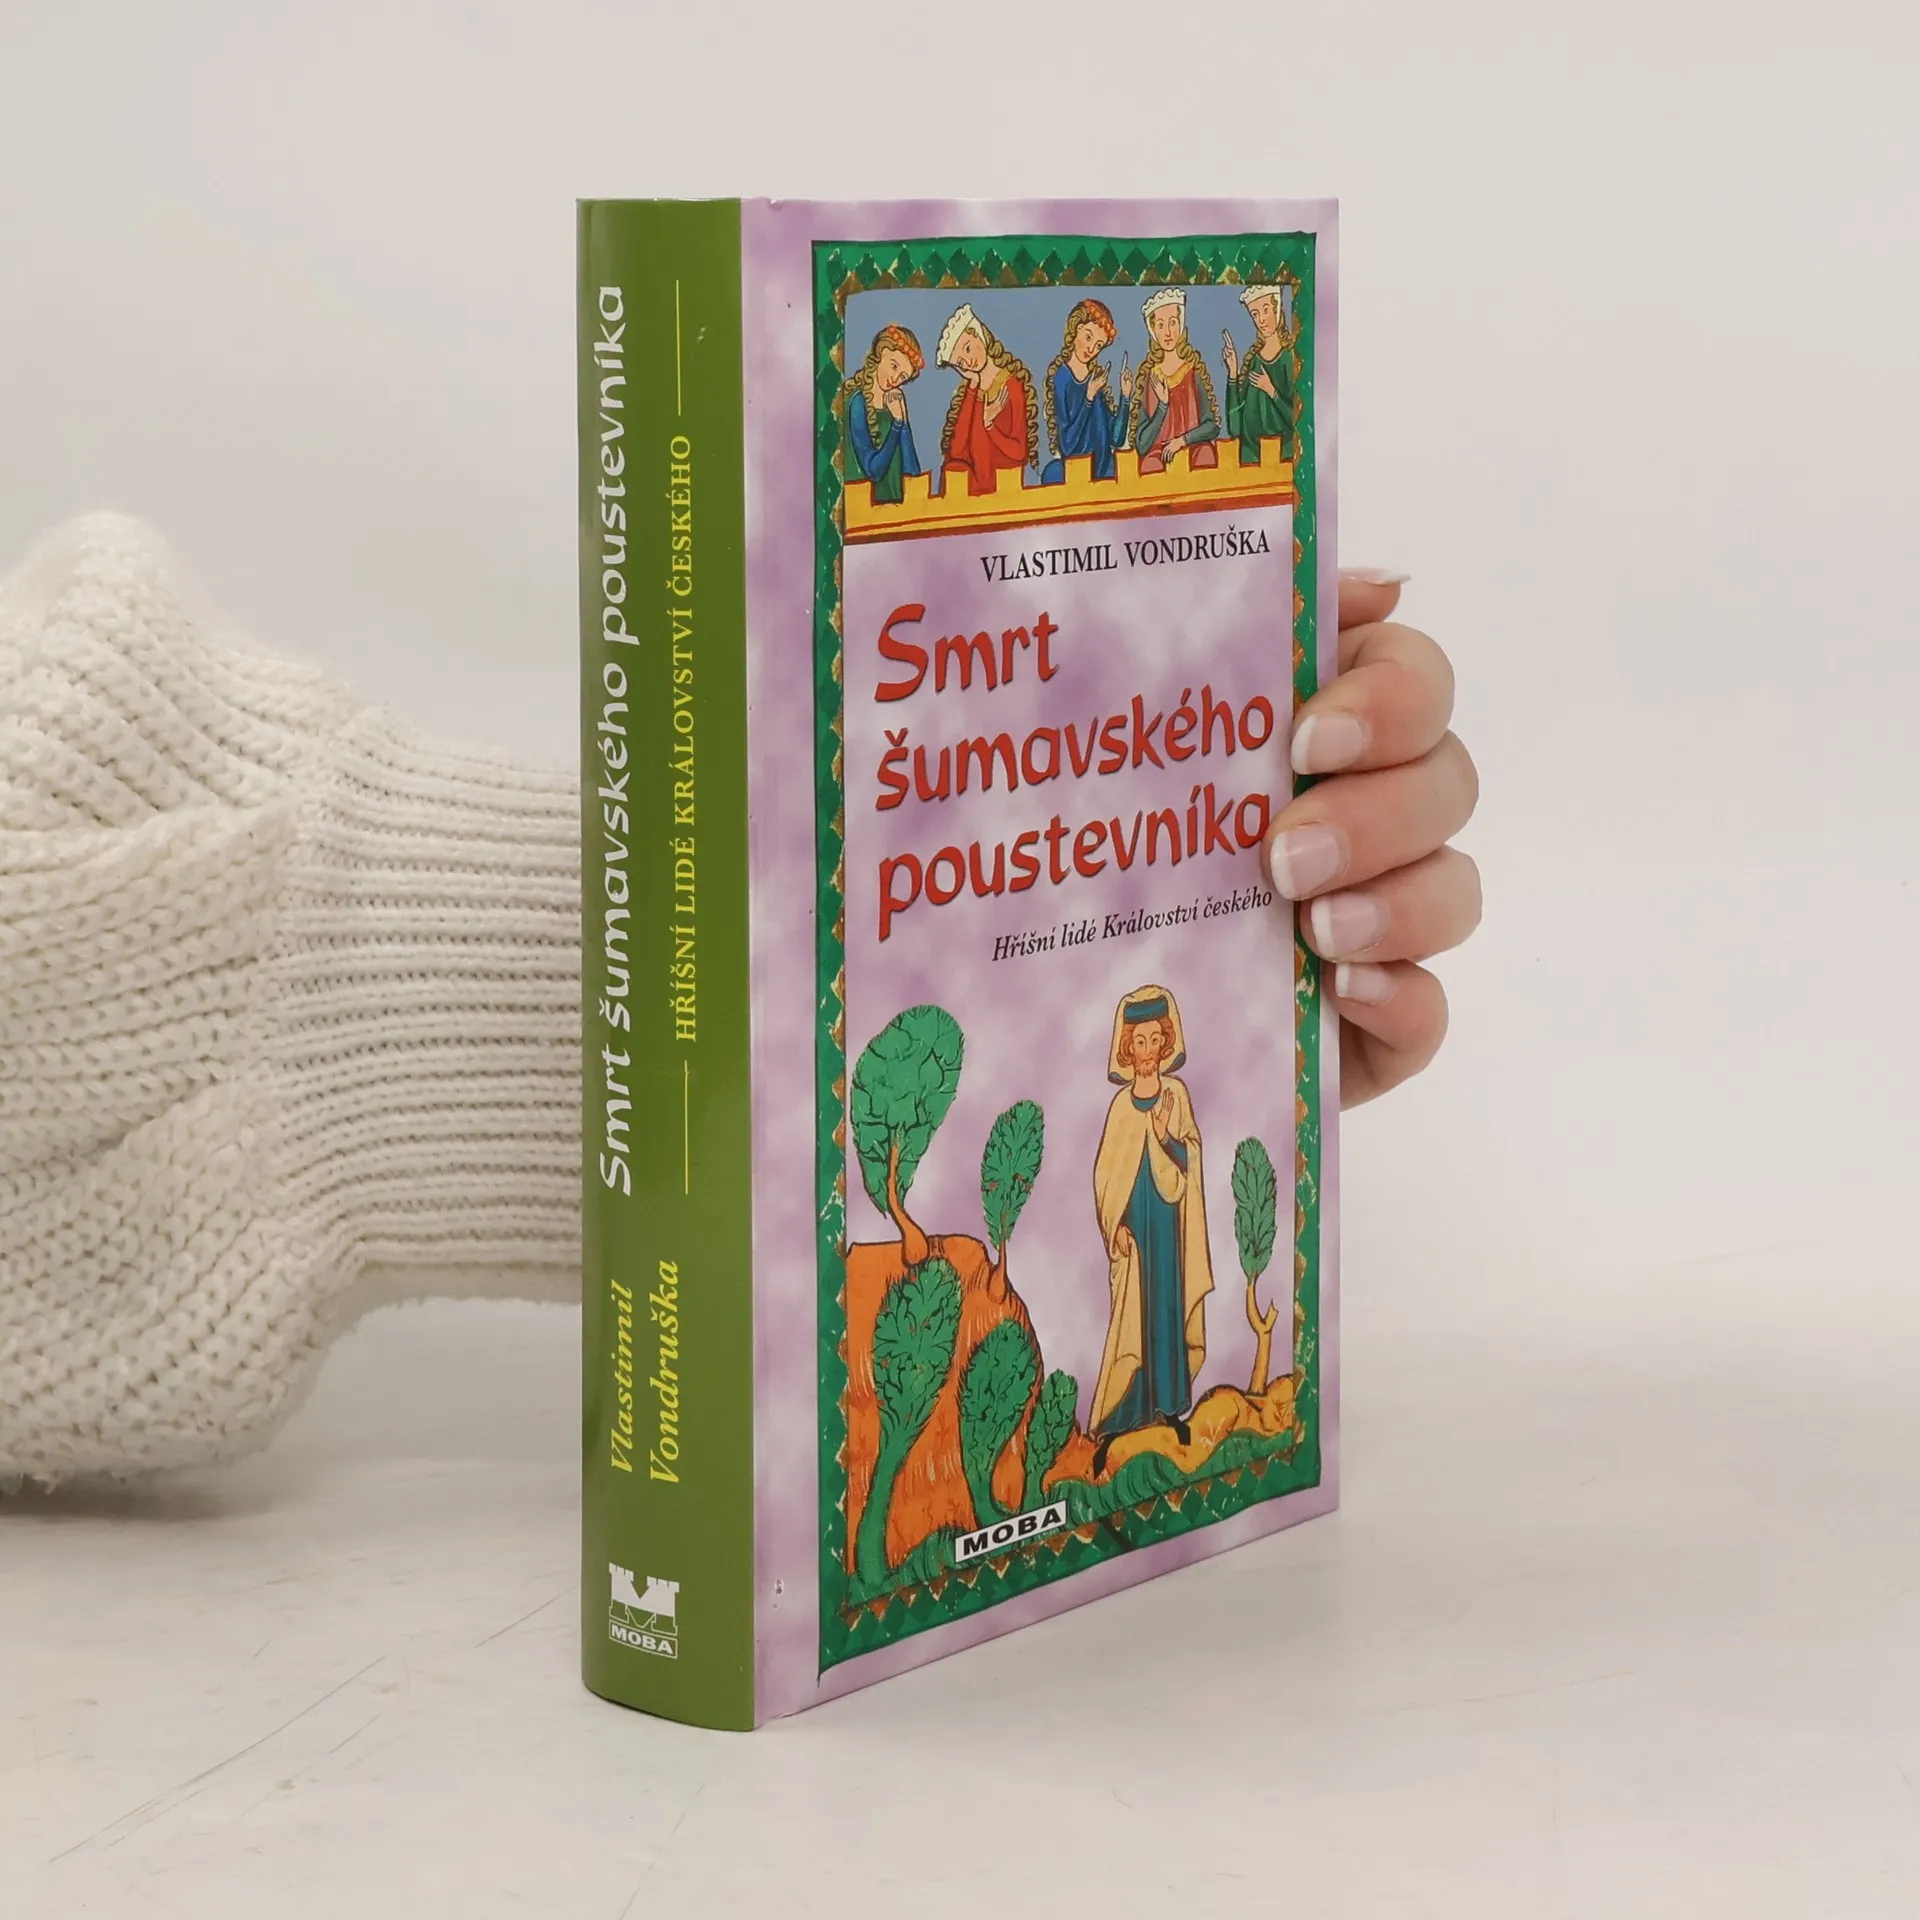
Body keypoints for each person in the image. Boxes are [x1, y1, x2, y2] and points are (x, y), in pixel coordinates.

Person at [1089, 986, 1213, 1471]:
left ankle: (1167, 1409)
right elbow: (1106, 1175)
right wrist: (1114, 1226)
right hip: (1134, 1233)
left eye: (1153, 1040)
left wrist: (1165, 1136)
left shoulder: (1175, 1096)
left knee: (1165, 1308)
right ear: (1127, 1048)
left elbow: (1191, 1156)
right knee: (1132, 1317)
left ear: (1165, 1043)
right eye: (1137, 1042)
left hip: (1167, 1224)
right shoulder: (1121, 1108)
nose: (1146, 1051)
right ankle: (1126, 1415)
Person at [936, 303, 1037, 495]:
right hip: (974, 486)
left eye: (967, 349)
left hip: (1004, 484)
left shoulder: (1012, 386)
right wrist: (973, 386)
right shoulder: (972, 393)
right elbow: (957, 452)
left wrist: (990, 426)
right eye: (960, 363)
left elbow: (1019, 451)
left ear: (978, 335)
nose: (969, 362)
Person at [1040, 299, 1132, 484]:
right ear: (1076, 329)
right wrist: (1088, 397)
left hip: (1103, 468)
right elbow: (1068, 445)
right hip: (1077, 468)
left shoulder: (1095, 381)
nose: (1091, 349)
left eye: (1098, 345)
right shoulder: (1063, 378)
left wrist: (1125, 397)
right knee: (1052, 474)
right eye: (1088, 337)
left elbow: (1115, 438)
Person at [1131, 286, 1219, 475]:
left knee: (1205, 456)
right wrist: (1162, 406)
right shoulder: (1148, 378)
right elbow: (1142, 443)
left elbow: (1212, 426)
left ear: (1181, 324)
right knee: (1151, 467)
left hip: (1192, 449)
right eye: (1160, 325)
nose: (1168, 332)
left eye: (1173, 322)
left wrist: (1182, 441)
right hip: (1159, 457)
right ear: (1153, 330)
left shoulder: (1193, 371)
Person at [843, 323, 925, 505]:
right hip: (865, 507)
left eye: (903, 377)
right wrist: (897, 425)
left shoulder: (894, 405)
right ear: (881, 352)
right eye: (894, 366)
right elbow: (874, 471)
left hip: (896, 507)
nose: (895, 379)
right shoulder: (857, 402)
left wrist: (903, 422)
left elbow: (912, 472)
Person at [1222, 282, 1296, 463]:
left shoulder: (1290, 359)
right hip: (1251, 460)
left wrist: (1271, 391)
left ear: (1277, 309)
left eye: (1265, 310)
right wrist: (1233, 373)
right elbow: (1236, 427)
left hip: (1281, 457)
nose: (1261, 319)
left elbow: (1297, 419)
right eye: (1255, 314)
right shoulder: (1253, 362)